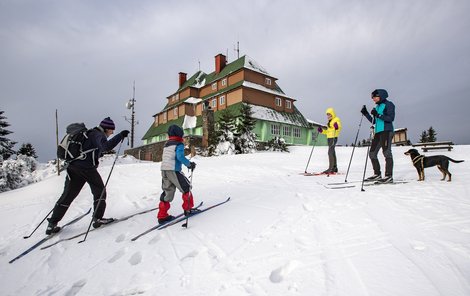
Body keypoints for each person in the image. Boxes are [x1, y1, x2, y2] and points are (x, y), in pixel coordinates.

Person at [46, 117, 129, 234]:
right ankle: (98, 219)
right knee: (100, 191)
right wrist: (121, 135)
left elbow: (97, 150)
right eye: (111, 130)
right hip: (86, 169)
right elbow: (106, 146)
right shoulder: (97, 134)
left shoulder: (90, 134)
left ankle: (52, 224)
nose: (112, 133)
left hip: (73, 168)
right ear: (106, 128)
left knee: (68, 196)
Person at [157, 124, 197, 224]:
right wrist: (189, 164)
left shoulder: (167, 144)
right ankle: (188, 209)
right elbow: (179, 157)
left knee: (167, 192)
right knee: (186, 187)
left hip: (164, 170)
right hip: (174, 170)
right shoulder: (179, 144)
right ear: (179, 134)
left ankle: (162, 216)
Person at [361, 89, 396, 183]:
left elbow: (390, 118)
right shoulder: (377, 107)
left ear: (381, 96)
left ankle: (389, 176)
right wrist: (366, 113)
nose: (373, 99)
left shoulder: (389, 104)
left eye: (374, 97)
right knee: (372, 153)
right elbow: (374, 121)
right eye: (372, 98)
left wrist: (378, 115)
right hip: (378, 132)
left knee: (386, 152)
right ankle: (377, 174)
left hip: (387, 131)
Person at [317, 107, 341, 174]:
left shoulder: (336, 119)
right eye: (327, 114)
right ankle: (335, 167)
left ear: (332, 114)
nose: (328, 116)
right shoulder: (329, 122)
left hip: (333, 137)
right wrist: (322, 131)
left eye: (329, 114)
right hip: (329, 138)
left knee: (330, 152)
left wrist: (337, 127)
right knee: (332, 152)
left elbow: (338, 127)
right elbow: (328, 131)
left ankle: (331, 168)